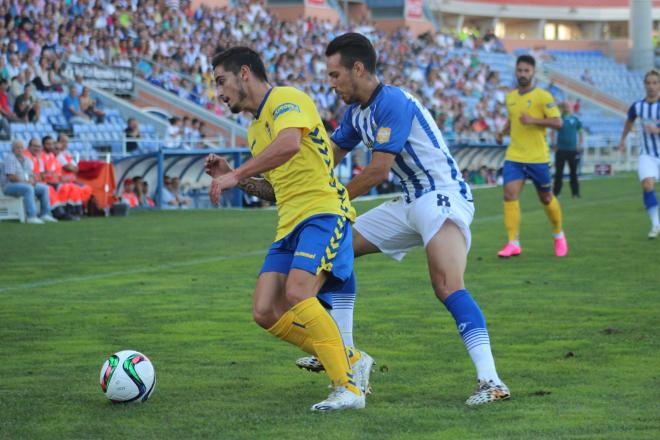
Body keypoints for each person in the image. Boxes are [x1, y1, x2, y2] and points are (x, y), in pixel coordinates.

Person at [296, 33, 509, 406]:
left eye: (334, 75)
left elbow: (378, 171)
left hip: (441, 195)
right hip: (409, 200)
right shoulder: (354, 114)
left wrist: (332, 199)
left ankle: (491, 381)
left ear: (358, 68)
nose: (330, 84)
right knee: (337, 249)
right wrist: (279, 177)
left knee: (446, 284)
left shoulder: (392, 100)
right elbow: (324, 158)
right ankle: (343, 353)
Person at [204, 46, 366, 411]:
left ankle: (348, 388)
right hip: (289, 221)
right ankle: (350, 359)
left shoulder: (286, 99)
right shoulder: (254, 130)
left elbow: (290, 144)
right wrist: (238, 179)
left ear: (244, 73)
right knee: (264, 310)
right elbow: (274, 190)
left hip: (324, 212)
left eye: (221, 81)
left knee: (297, 292)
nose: (219, 92)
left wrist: (237, 173)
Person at [495, 55, 567, 258]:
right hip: (515, 155)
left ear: (533, 73)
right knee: (509, 194)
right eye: (520, 70)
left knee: (546, 198)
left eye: (526, 71)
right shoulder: (510, 98)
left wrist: (533, 120)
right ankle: (513, 242)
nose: (523, 74)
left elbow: (558, 122)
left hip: (538, 158)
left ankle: (558, 235)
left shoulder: (543, 96)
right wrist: (502, 132)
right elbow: (513, 121)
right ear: (515, 72)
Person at [619, 69, 660, 239]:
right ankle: (656, 224)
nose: (651, 86)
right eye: (648, 83)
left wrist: (657, 130)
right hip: (647, 154)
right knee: (647, 185)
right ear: (644, 85)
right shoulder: (637, 106)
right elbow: (629, 121)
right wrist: (622, 139)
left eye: (654, 83)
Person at [1, 139, 57, 224]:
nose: (20, 149)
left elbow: (30, 175)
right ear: (13, 149)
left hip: (23, 184)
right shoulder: (10, 158)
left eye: (21, 148)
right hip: (9, 185)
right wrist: (26, 182)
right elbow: (11, 176)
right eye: (17, 148)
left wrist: (32, 181)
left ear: (24, 149)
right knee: (29, 188)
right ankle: (31, 216)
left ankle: (45, 214)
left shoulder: (26, 159)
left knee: (44, 188)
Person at [551, 101, 583, 198]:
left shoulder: (575, 119)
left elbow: (581, 132)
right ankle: (556, 193)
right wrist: (554, 144)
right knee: (558, 173)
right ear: (563, 108)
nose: (567, 108)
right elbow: (552, 132)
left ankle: (575, 193)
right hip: (561, 150)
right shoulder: (559, 119)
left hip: (572, 150)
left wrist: (579, 144)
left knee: (573, 172)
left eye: (568, 106)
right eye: (565, 106)